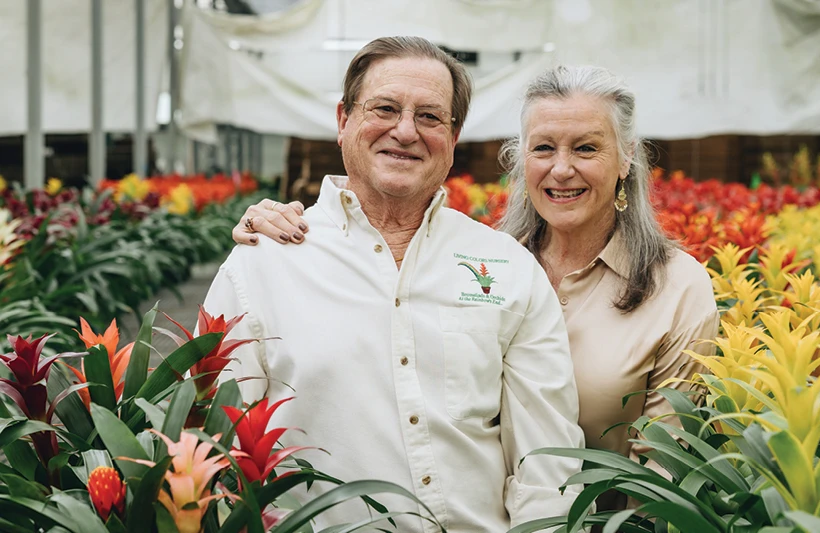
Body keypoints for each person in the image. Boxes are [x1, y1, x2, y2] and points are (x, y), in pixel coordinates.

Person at [236, 65, 719, 510]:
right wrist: (290, 227)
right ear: (520, 158)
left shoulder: (675, 286)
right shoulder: (488, 261)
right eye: (544, 148)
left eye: (587, 148)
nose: (562, 168)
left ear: (626, 158)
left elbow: (667, 471)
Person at [204, 37, 584, 532]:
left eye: (429, 117)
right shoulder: (263, 262)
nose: (405, 131)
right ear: (344, 121)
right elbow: (216, 446)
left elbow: (547, 458)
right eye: (384, 109)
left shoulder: (506, 266)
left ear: (454, 136)